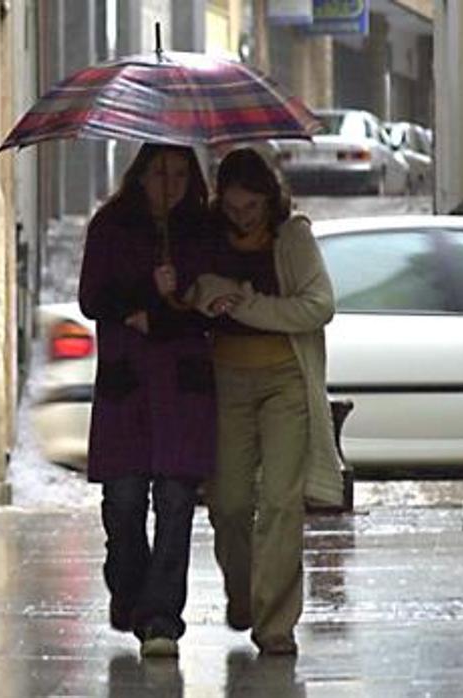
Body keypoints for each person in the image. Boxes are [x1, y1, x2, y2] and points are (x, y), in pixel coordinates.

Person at [185, 146, 340, 656]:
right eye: (232, 208)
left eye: (250, 208)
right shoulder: (206, 237)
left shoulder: (292, 237)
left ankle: (275, 624)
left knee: (280, 502)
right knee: (229, 503)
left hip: (284, 382)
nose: (241, 217)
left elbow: (318, 307)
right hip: (227, 379)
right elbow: (192, 298)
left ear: (268, 200)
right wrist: (204, 292)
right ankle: (244, 593)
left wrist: (246, 304)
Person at [78, 143, 218, 658]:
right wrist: (144, 291)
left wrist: (163, 311)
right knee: (125, 501)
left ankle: (161, 617)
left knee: (177, 502)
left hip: (181, 389)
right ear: (140, 175)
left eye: (181, 173)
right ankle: (129, 590)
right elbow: (92, 297)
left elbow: (211, 306)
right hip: (127, 386)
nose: (172, 183)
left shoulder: (201, 230)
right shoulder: (110, 227)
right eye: (161, 173)